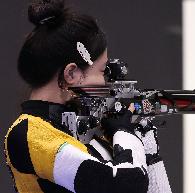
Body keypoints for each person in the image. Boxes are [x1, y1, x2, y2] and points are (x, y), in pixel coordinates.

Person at [4, 0, 172, 193]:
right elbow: (125, 185)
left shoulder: (87, 133)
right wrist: (126, 133)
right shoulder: (27, 134)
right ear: (71, 74)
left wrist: (149, 149)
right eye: (102, 71)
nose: (105, 82)